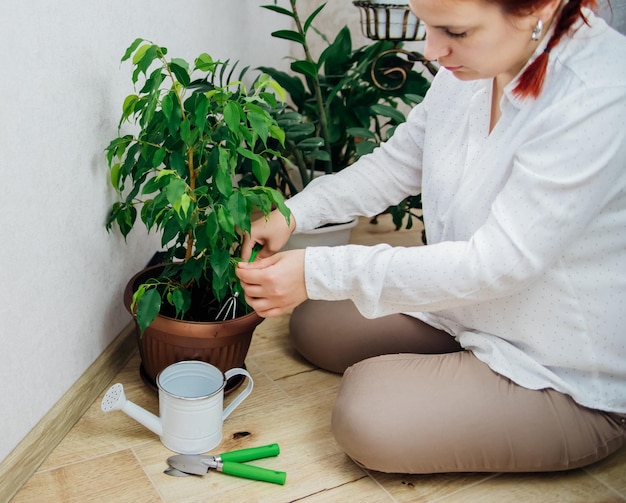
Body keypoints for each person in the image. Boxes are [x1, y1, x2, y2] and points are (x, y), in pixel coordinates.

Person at [236, 0, 626, 473]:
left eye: (454, 32)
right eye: (426, 24)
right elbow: (400, 161)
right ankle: (459, 360)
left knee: (369, 416)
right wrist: (293, 214)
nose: (432, 50)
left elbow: (496, 264)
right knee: (315, 324)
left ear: (538, 8)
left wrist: (320, 269)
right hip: (476, 308)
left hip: (561, 364)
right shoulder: (477, 65)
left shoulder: (596, 93)